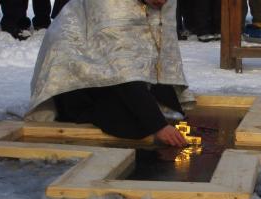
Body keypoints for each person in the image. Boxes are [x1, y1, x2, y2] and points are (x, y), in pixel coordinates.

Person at [26, 0, 194, 147]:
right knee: (135, 125)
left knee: (163, 112)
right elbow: (120, 67)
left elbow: (162, 45)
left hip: (115, 69)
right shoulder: (109, 3)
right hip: (79, 71)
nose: (162, 1)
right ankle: (77, 111)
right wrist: (158, 125)